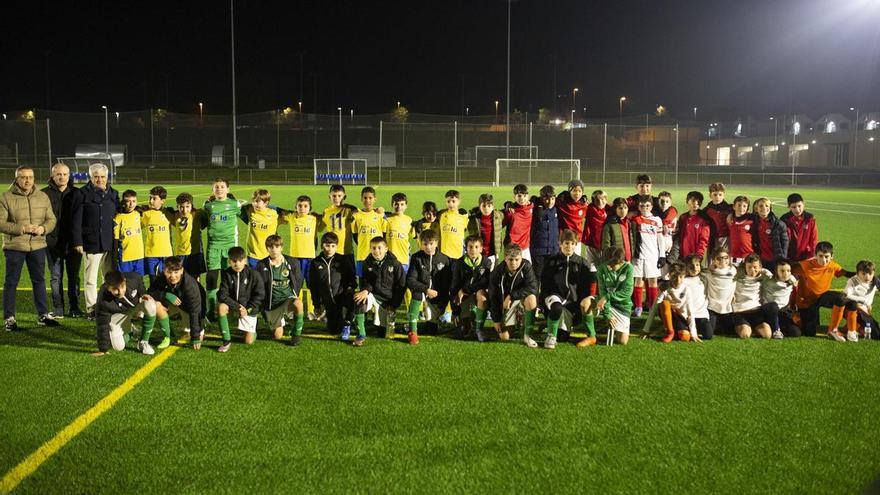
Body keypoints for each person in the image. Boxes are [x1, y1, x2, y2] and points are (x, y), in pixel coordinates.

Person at [1, 165, 59, 331]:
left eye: (30, 177)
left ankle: (42, 315)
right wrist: (22, 229)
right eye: (23, 177)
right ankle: (9, 318)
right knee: (11, 282)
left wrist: (43, 229)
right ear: (17, 179)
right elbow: (1, 223)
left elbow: (51, 219)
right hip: (15, 246)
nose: (27, 180)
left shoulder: (42, 197)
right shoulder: (6, 197)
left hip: (37, 246)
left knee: (39, 280)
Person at [70, 162, 118, 319]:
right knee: (91, 279)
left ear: (107, 177)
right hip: (91, 242)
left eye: (103, 176)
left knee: (109, 277)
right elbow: (76, 220)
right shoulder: (81, 194)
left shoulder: (113, 193)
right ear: (90, 177)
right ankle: (92, 309)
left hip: (109, 243)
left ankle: (108, 305)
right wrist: (78, 242)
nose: (100, 180)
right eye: (96, 177)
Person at [541, 229, 595, 349]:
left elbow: (585, 289)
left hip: (571, 302)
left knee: (563, 337)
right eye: (566, 243)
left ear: (576, 245)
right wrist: (543, 304)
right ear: (560, 244)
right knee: (556, 307)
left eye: (572, 243)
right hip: (554, 297)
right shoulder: (551, 261)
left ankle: (552, 327)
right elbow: (545, 284)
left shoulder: (582, 263)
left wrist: (578, 308)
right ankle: (550, 337)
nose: (569, 246)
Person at [42, 162, 82, 319]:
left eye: (65, 174)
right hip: (52, 243)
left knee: (74, 277)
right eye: (58, 174)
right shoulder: (43, 194)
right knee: (55, 276)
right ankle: (58, 309)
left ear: (69, 175)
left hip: (73, 244)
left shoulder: (77, 193)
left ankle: (74, 307)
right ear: (52, 175)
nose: (62, 177)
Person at [144, 256, 205, 352]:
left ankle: (200, 328)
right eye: (169, 272)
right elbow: (149, 293)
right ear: (164, 270)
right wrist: (165, 295)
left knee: (196, 334)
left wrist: (195, 336)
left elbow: (195, 311)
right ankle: (168, 336)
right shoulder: (161, 278)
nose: (172, 276)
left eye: (176, 272)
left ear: (182, 271)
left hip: (193, 308)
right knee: (155, 304)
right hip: (175, 304)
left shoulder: (190, 285)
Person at [793, 241, 853, 340]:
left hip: (823, 297)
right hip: (807, 302)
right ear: (815, 255)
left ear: (832, 256)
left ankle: (845, 329)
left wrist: (868, 275)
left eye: (826, 256)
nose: (823, 260)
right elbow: (786, 268)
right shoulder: (805, 265)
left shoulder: (832, 265)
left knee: (843, 299)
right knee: (809, 332)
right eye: (820, 256)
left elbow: (846, 273)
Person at [352, 236, 406, 346]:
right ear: (370, 249)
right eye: (374, 248)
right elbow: (366, 281)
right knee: (359, 300)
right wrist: (365, 290)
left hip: (388, 301)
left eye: (379, 248)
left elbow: (401, 286)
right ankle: (361, 334)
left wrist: (394, 305)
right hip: (373, 295)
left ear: (386, 248)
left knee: (382, 333)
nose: (377, 251)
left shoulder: (395, 264)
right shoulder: (367, 263)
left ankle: (403, 326)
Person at [200, 177, 241, 318]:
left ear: (227, 189)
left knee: (227, 278)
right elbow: (202, 224)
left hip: (229, 247)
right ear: (213, 189)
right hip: (213, 247)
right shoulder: (208, 206)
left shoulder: (235, 205)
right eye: (216, 187)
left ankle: (228, 307)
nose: (219, 189)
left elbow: (247, 217)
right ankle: (211, 310)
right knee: (211, 278)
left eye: (222, 187)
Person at [278, 195, 321, 318]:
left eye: (305, 206)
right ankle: (293, 309)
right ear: (295, 207)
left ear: (310, 208)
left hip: (310, 257)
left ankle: (313, 310)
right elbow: (279, 212)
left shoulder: (314, 219)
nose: (302, 208)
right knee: (295, 285)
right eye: (300, 206)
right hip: (294, 258)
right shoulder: (291, 217)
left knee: (312, 284)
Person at [406, 229, 452, 345]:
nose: (428, 247)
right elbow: (410, 280)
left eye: (431, 243)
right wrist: (426, 290)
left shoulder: (444, 259)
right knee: (416, 292)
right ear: (421, 244)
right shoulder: (416, 258)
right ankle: (412, 332)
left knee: (432, 329)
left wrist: (442, 304)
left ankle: (409, 326)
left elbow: (447, 286)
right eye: (425, 244)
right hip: (422, 294)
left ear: (436, 243)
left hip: (436, 299)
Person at [256, 235, 304, 345]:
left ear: (281, 247)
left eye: (277, 246)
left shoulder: (292, 262)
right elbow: (258, 287)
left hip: (287, 299)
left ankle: (296, 335)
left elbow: (298, 280)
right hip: (272, 304)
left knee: (298, 303)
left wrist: (295, 294)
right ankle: (281, 322)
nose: (274, 250)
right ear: (267, 248)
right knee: (277, 336)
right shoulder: (262, 265)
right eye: (270, 247)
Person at [309, 232, 357, 341]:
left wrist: (350, 288)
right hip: (328, 301)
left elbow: (352, 279)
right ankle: (335, 319)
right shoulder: (315, 262)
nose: (329, 249)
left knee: (354, 299)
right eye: (327, 245)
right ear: (322, 245)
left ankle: (348, 322)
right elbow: (313, 286)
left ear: (336, 246)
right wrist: (316, 304)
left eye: (333, 246)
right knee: (334, 330)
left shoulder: (343, 260)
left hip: (342, 297)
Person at [93, 270, 154, 356]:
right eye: (115, 289)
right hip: (118, 317)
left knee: (150, 304)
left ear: (124, 281)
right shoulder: (103, 300)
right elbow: (102, 325)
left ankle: (143, 342)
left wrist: (143, 293)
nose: (120, 291)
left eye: (122, 286)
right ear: (107, 287)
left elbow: (139, 279)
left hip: (133, 309)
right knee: (119, 347)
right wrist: (103, 349)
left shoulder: (133, 279)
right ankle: (130, 331)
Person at [217, 246, 266, 352]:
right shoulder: (227, 273)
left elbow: (260, 295)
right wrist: (238, 307)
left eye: (240, 261)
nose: (237, 264)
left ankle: (253, 332)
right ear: (229, 261)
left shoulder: (254, 274)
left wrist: (247, 309)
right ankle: (226, 341)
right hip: (235, 307)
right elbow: (222, 295)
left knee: (248, 341)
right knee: (221, 307)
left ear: (245, 260)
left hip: (248, 309)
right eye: (234, 261)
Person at [488, 243, 538, 345]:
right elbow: (493, 297)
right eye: (511, 259)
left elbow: (533, 287)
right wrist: (496, 319)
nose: (514, 263)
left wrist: (511, 296)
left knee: (531, 298)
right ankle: (518, 323)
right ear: (505, 258)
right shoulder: (497, 272)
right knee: (504, 337)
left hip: (521, 302)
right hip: (507, 306)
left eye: (517, 259)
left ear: (521, 258)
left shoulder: (526, 266)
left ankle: (528, 335)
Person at [584, 246, 634, 346]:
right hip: (605, 303)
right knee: (585, 302)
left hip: (622, 306)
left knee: (623, 341)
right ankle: (591, 335)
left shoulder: (628, 268)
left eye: (613, 265)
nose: (609, 267)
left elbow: (627, 292)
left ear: (621, 262)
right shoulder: (602, 269)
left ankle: (616, 327)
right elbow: (602, 292)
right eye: (608, 264)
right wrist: (607, 314)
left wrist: (607, 297)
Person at [450, 235, 491, 341]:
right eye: (470, 247)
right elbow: (454, 287)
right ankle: (467, 323)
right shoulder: (459, 263)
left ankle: (479, 329)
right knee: (463, 330)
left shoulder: (486, 262)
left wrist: (465, 290)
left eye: (476, 247)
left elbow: (485, 282)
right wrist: (455, 311)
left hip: (476, 295)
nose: (473, 250)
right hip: (464, 298)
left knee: (482, 295)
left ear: (481, 249)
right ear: (466, 248)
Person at [650, 261, 703, 343]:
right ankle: (670, 332)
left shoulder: (687, 289)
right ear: (669, 275)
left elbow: (690, 312)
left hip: (681, 316)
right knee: (665, 303)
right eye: (675, 277)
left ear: (684, 276)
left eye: (681, 277)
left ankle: (672, 331)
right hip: (667, 312)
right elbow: (654, 308)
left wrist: (693, 333)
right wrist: (645, 329)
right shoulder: (664, 288)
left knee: (685, 336)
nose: (678, 280)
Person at [630, 197, 664, 317]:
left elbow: (660, 239)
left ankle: (652, 307)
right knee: (638, 280)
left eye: (647, 206)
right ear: (639, 207)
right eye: (642, 206)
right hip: (638, 256)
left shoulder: (657, 220)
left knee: (653, 281)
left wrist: (662, 255)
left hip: (653, 255)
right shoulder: (635, 219)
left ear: (651, 206)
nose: (645, 208)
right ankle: (638, 307)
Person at [732, 254, 777, 340]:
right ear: (744, 267)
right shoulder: (737, 275)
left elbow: (778, 278)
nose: (752, 270)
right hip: (741, 312)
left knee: (767, 335)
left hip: (756, 312)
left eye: (755, 267)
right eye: (749, 267)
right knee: (745, 335)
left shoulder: (764, 276)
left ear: (760, 267)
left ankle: (752, 328)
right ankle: (741, 327)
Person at [351, 186, 387, 278]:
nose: (367, 200)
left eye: (370, 198)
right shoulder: (357, 215)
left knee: (378, 281)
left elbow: (384, 234)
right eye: (365, 198)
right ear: (361, 199)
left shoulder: (379, 215)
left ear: (375, 199)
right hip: (362, 255)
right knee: (363, 282)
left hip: (377, 255)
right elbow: (355, 235)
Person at [169, 193, 206, 278]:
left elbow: (205, 222)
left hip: (195, 252)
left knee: (195, 277)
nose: (184, 210)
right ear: (177, 206)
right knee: (181, 277)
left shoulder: (197, 214)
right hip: (181, 253)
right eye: (181, 207)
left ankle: (197, 291)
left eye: (187, 206)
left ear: (191, 206)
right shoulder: (175, 215)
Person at [670, 191, 712, 265]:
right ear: (687, 201)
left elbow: (704, 239)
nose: (696, 203)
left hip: (694, 256)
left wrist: (699, 255)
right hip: (681, 255)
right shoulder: (683, 217)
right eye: (693, 201)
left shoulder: (704, 219)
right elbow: (678, 236)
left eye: (698, 201)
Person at [240, 188, 279, 268]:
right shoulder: (250, 211)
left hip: (269, 254)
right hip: (253, 255)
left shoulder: (274, 214)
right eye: (253, 201)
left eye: (258, 201)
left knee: (267, 279)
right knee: (254, 279)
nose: (255, 204)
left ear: (266, 202)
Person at [760, 259, 799, 339]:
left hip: (782, 313)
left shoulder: (791, 281)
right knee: (774, 305)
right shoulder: (768, 279)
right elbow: (757, 269)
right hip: (768, 311)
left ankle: (779, 327)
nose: (786, 273)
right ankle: (776, 330)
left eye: (788, 270)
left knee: (796, 333)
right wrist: (765, 271)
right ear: (776, 271)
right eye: (782, 271)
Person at [141, 186, 173, 282]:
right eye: (150, 198)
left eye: (154, 198)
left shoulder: (168, 213)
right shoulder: (145, 214)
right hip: (151, 255)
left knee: (168, 281)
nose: (151, 201)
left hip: (166, 254)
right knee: (154, 282)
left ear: (162, 201)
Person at [702, 246, 736, 336]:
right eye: (719, 258)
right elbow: (697, 272)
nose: (723, 260)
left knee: (729, 332)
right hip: (713, 308)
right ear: (714, 260)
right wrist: (709, 268)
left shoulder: (733, 270)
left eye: (725, 258)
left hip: (727, 309)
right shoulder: (709, 272)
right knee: (709, 333)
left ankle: (720, 325)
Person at [322, 184, 359, 267]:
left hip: (346, 250)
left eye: (339, 196)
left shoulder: (350, 209)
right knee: (333, 278)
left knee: (350, 278)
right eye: (334, 196)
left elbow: (362, 214)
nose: (336, 198)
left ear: (344, 197)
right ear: (329, 197)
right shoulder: (326, 211)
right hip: (331, 251)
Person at [529, 185, 559, 283]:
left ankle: (547, 297)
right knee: (537, 277)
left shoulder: (556, 209)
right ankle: (535, 298)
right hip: (538, 251)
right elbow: (522, 206)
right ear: (541, 198)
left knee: (551, 277)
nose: (550, 202)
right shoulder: (535, 209)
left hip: (553, 250)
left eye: (552, 199)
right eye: (546, 199)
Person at [467, 193, 505, 270]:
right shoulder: (473, 219)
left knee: (493, 277)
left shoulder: (499, 216)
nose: (486, 209)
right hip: (478, 253)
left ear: (493, 207)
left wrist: (508, 204)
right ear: (479, 206)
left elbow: (508, 212)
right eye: (483, 206)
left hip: (493, 253)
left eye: (489, 206)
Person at [843, 260, 878, 342]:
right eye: (863, 273)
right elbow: (846, 295)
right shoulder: (853, 281)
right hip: (852, 309)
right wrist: (863, 301)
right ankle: (853, 326)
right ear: (857, 273)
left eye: (870, 274)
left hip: (866, 311)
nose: (867, 277)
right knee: (876, 334)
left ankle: (853, 326)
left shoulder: (875, 281)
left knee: (875, 329)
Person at [752, 197, 788, 273]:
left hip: (775, 260)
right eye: (761, 206)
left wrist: (782, 258)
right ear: (756, 209)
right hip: (760, 260)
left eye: (767, 206)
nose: (764, 208)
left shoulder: (778, 224)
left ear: (770, 208)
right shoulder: (754, 222)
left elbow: (785, 243)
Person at [113, 190, 144, 276]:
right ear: (123, 202)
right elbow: (115, 239)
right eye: (128, 201)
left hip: (139, 256)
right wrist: (114, 258)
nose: (131, 204)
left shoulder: (138, 214)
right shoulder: (118, 218)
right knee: (125, 282)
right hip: (125, 257)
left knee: (139, 281)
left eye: (134, 201)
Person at [780, 193, 818, 262]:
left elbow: (813, 238)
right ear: (789, 207)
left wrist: (813, 254)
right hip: (789, 256)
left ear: (803, 204)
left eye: (799, 206)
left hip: (806, 256)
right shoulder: (784, 219)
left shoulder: (810, 219)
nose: (797, 210)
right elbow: (781, 239)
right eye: (794, 207)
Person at [503, 184, 534, 262]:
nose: (522, 198)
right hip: (512, 247)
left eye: (525, 195)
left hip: (525, 248)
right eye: (519, 196)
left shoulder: (532, 208)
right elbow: (498, 224)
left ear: (528, 196)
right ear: (514, 197)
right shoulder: (511, 211)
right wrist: (507, 204)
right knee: (513, 272)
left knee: (528, 271)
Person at [556, 180, 588, 252]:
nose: (577, 193)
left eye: (580, 191)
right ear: (569, 191)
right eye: (574, 191)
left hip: (577, 239)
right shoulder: (561, 203)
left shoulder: (584, 205)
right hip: (564, 239)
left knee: (575, 261)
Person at [601, 197, 636, 262]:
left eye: (625, 208)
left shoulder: (629, 223)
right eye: (620, 208)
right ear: (615, 209)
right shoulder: (610, 224)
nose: (623, 210)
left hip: (629, 261)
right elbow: (606, 245)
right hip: (616, 262)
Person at [438, 190, 469, 261]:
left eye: (453, 201)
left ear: (459, 201)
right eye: (448, 201)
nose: (451, 204)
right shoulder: (441, 215)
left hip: (458, 253)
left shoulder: (463, 217)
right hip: (444, 254)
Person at [727, 195, 756, 266]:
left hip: (749, 254)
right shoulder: (730, 220)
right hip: (735, 255)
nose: (741, 208)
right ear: (734, 207)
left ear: (747, 208)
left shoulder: (752, 220)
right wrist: (730, 214)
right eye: (739, 205)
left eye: (744, 206)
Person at [703, 182, 732, 251]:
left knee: (726, 260)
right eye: (715, 195)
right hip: (712, 240)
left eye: (720, 194)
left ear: (723, 195)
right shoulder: (706, 210)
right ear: (710, 195)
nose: (717, 197)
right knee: (712, 260)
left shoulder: (730, 209)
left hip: (727, 239)